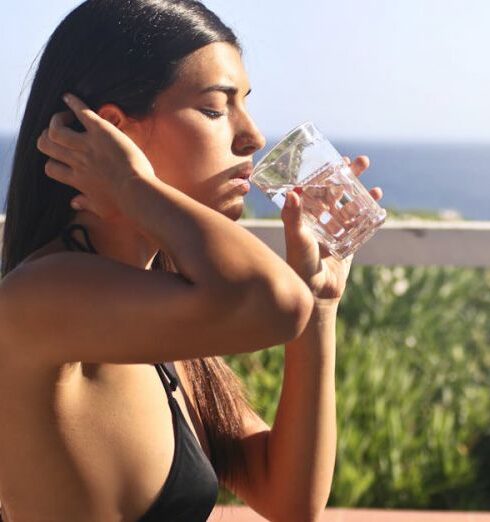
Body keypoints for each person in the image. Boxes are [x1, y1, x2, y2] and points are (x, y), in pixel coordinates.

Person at [0, 1, 382, 521]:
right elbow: (272, 303)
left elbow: (289, 499)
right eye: (215, 108)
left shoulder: (158, 302)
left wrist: (319, 301)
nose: (252, 136)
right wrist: (132, 185)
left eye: (244, 104)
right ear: (111, 131)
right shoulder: (41, 297)